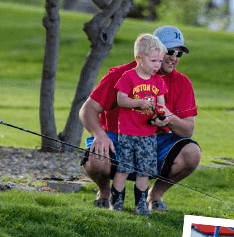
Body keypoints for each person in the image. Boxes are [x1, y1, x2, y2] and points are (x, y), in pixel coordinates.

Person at [79, 25, 201, 211]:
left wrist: (168, 117)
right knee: (97, 159)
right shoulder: (121, 74)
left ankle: (155, 196)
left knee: (192, 153)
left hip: (154, 141)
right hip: (117, 137)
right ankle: (105, 193)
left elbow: (187, 130)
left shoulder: (182, 83)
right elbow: (87, 109)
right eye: (169, 51)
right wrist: (99, 134)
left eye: (179, 54)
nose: (174, 58)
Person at [110, 34, 168, 215]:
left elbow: (161, 104)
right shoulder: (128, 77)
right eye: (153, 61)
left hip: (148, 134)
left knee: (145, 171)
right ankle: (116, 203)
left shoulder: (158, 80)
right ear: (139, 59)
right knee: (124, 169)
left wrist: (161, 116)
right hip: (127, 133)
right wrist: (137, 103)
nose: (157, 65)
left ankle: (140, 205)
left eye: (159, 61)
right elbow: (121, 100)